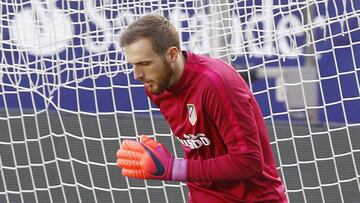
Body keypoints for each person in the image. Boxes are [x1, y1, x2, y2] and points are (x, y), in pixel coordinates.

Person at [116, 14, 287, 203]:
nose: (137, 75)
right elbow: (200, 148)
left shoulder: (215, 83)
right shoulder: (156, 87)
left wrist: (174, 168)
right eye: (133, 64)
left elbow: (248, 162)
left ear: (172, 54)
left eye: (144, 63)